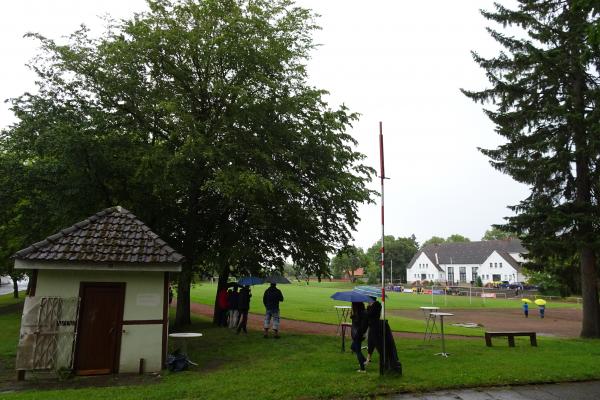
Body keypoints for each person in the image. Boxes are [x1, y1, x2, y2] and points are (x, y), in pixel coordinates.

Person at [350, 302, 368, 372]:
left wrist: (353, 316)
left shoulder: (360, 314)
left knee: (358, 351)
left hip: (358, 334)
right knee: (353, 347)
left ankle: (362, 368)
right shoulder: (363, 312)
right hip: (360, 334)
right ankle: (365, 361)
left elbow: (358, 323)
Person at [365, 297, 382, 365]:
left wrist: (369, 307)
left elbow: (369, 314)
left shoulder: (376, 306)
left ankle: (383, 357)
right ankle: (368, 358)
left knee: (376, 343)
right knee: (370, 342)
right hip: (372, 326)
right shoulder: (373, 306)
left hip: (375, 327)